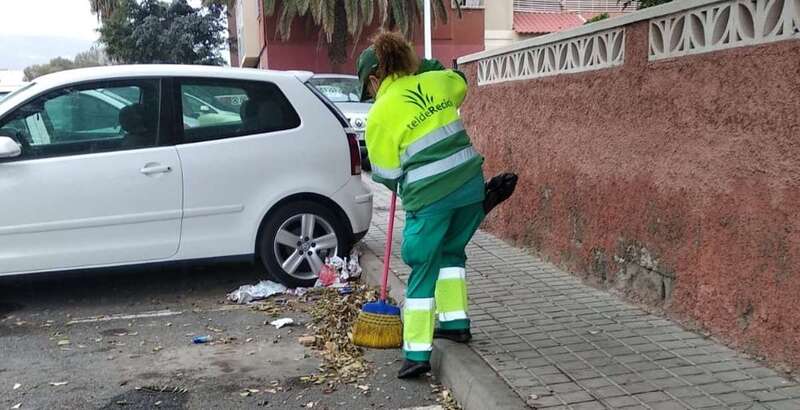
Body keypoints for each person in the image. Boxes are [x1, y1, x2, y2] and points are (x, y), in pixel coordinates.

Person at [357, 32, 517, 379]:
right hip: (469, 186)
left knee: (422, 266)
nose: (370, 95)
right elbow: (459, 80)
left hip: (430, 199)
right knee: (451, 253)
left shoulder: (380, 113)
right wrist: (423, 66)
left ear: (375, 78)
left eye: (368, 88)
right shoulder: (436, 82)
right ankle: (456, 324)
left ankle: (416, 354)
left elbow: (386, 173)